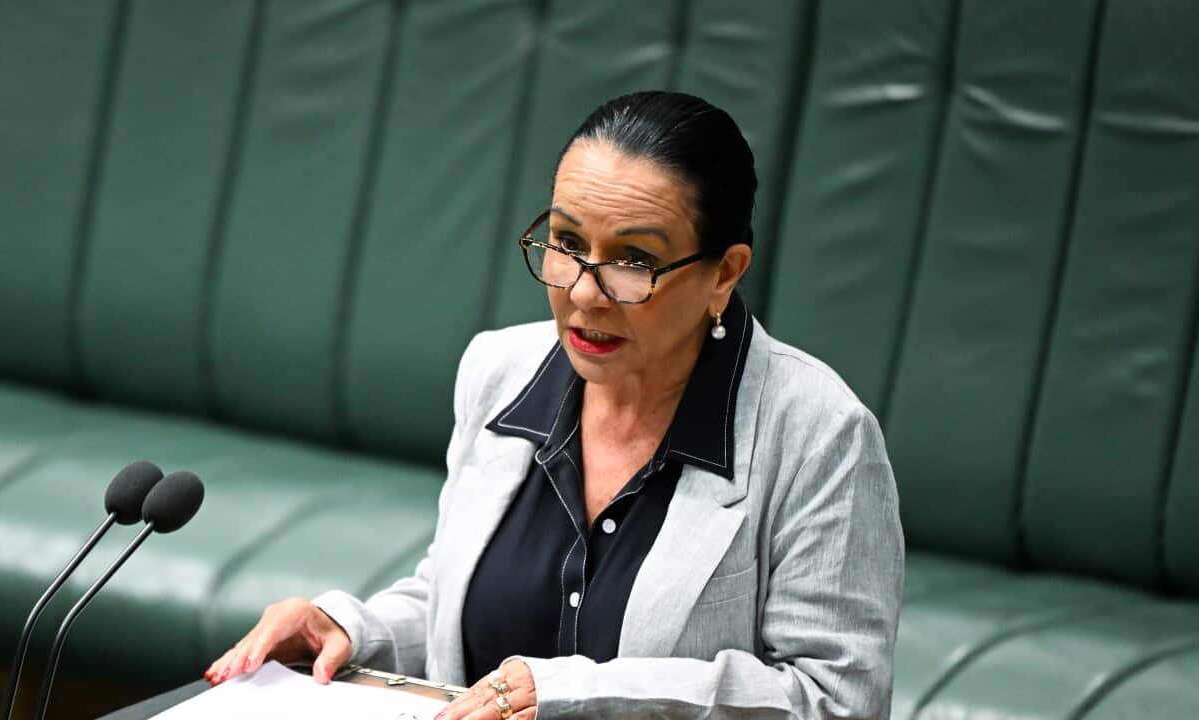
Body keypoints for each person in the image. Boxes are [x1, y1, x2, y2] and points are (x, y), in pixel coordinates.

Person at [205, 91, 904, 719]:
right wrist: (351, 630)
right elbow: (463, 608)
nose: (583, 292)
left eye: (633, 261)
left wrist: (580, 698)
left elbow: (833, 701)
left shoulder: (820, 435)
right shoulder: (498, 371)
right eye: (567, 243)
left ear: (724, 273)